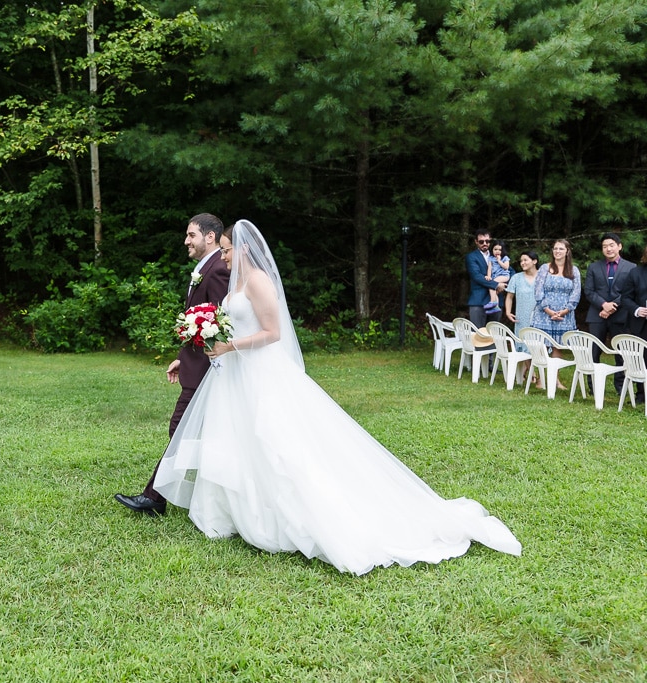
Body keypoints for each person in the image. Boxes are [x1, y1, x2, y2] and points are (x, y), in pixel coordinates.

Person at [153, 220, 522, 575]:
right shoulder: (234, 284)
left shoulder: (259, 281)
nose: (225, 256)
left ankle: (287, 516)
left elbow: (273, 332)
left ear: (244, 249)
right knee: (239, 441)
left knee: (276, 444)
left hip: (261, 372)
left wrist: (231, 345)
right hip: (235, 375)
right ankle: (235, 512)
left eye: (229, 250)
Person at [114, 213, 231, 516]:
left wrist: (203, 360)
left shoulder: (218, 268)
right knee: (192, 432)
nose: (186, 241)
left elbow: (221, 323)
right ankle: (160, 497)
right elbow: (201, 322)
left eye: (191, 235)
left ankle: (154, 498)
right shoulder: (206, 267)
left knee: (180, 429)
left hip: (209, 371)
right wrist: (183, 355)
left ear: (210, 236)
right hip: (197, 364)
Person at [584, 232, 636, 394]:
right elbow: (589, 291)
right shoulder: (594, 267)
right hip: (596, 315)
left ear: (619, 246)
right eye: (605, 246)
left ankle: (621, 387)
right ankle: (593, 387)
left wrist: (612, 306)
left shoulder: (631, 267)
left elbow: (630, 291)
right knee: (593, 351)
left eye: (611, 245)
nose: (608, 249)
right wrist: (603, 305)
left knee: (621, 352)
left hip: (620, 315)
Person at [532, 239, 581, 390]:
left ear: (567, 251)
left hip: (564, 316)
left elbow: (576, 292)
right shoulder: (544, 268)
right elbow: (538, 290)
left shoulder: (574, 270)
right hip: (544, 314)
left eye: (561, 249)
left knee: (557, 347)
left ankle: (555, 379)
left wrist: (566, 310)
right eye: (555, 249)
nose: (557, 251)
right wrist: (548, 310)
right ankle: (541, 379)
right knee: (542, 346)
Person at [504, 250, 540, 387]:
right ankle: (532, 373)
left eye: (525, 260)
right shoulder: (516, 278)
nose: (523, 263)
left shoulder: (543, 277)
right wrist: (508, 312)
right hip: (522, 317)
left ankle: (534, 373)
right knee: (524, 346)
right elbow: (509, 297)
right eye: (521, 261)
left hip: (539, 317)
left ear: (534, 261)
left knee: (538, 345)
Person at [619, 244, 647, 403]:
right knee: (642, 359)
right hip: (641, 325)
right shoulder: (636, 273)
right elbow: (625, 298)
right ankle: (642, 394)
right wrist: (637, 310)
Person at [466, 230, 505, 326]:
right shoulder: (471, 257)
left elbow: (510, 270)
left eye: (487, 241)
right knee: (478, 336)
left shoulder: (497, 255)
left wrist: (505, 283)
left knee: (493, 336)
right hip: (478, 301)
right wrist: (496, 285)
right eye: (481, 241)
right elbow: (476, 276)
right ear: (476, 241)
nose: (485, 244)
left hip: (496, 301)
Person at [484, 241, 511, 314]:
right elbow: (489, 268)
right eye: (495, 249)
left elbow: (506, 267)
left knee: (491, 285)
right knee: (495, 291)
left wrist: (499, 261)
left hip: (504, 276)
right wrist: (489, 276)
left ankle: (492, 302)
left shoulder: (505, 258)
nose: (497, 251)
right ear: (492, 250)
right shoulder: (491, 258)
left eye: (500, 250)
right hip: (494, 277)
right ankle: (496, 307)